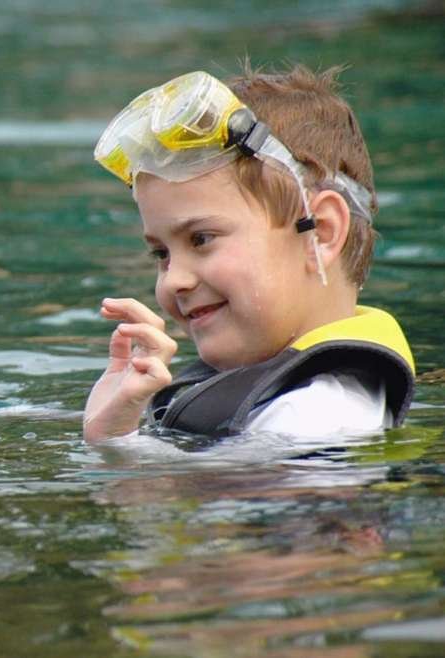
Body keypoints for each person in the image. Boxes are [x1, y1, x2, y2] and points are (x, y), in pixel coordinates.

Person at [82, 65, 415, 444]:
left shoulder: (316, 418)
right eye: (161, 254)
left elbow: (201, 493)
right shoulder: (280, 396)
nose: (173, 279)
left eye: (201, 239)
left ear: (320, 231)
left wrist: (112, 442)